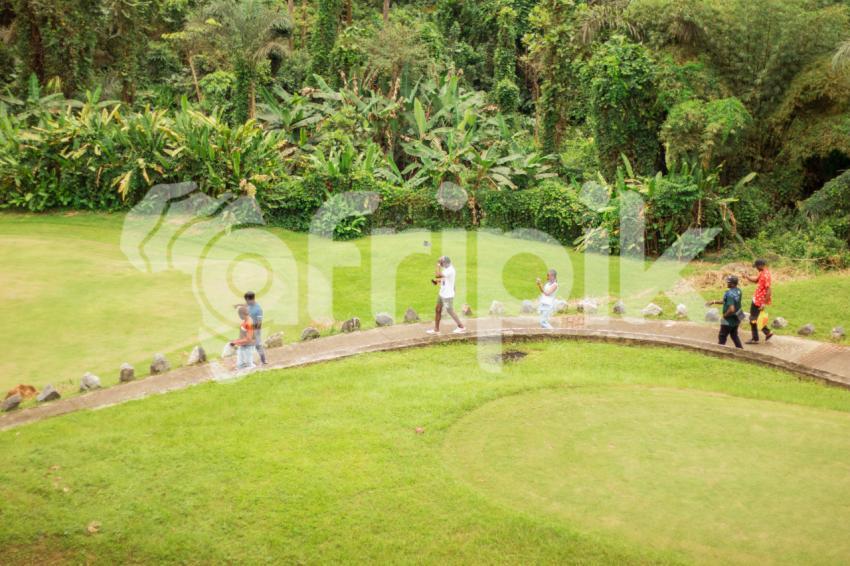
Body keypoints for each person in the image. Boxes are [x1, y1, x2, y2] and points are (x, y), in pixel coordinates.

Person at [427, 256, 466, 335]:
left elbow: (438, 275)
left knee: (450, 311)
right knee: (438, 309)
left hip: (447, 295)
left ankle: (461, 327)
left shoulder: (450, 270)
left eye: (441, 263)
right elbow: (444, 278)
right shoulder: (446, 269)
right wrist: (437, 281)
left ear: (445, 263)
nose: (441, 265)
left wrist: (437, 265)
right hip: (442, 293)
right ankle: (436, 329)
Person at [742, 258, 775, 344]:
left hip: (759, 301)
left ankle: (755, 338)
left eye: (756, 266)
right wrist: (747, 276)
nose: (756, 268)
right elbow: (756, 280)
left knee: (752, 319)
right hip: (757, 299)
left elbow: (769, 290)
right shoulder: (763, 272)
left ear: (760, 265)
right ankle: (767, 332)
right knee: (756, 318)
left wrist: (763, 303)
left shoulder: (765, 275)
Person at [706, 275, 744, 349]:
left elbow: (731, 309)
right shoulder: (739, 291)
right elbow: (724, 301)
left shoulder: (729, 293)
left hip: (729, 319)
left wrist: (724, 316)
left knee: (722, 336)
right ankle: (741, 350)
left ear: (732, 284)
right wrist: (713, 302)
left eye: (728, 282)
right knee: (734, 335)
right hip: (738, 316)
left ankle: (720, 352)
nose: (727, 283)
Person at [243, 291, 267, 365]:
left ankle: (264, 361)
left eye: (246, 300)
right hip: (249, 329)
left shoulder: (258, 309)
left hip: (256, 331)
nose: (246, 302)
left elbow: (259, 323)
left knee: (258, 345)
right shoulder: (248, 306)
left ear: (249, 299)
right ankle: (247, 362)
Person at [230, 306, 256, 371]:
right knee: (240, 365)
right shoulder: (245, 321)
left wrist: (236, 342)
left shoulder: (249, 323)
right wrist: (236, 341)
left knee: (250, 365)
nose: (239, 317)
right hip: (243, 345)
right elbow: (243, 335)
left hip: (248, 346)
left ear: (242, 314)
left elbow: (249, 339)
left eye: (239, 315)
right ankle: (242, 368)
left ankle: (253, 371)